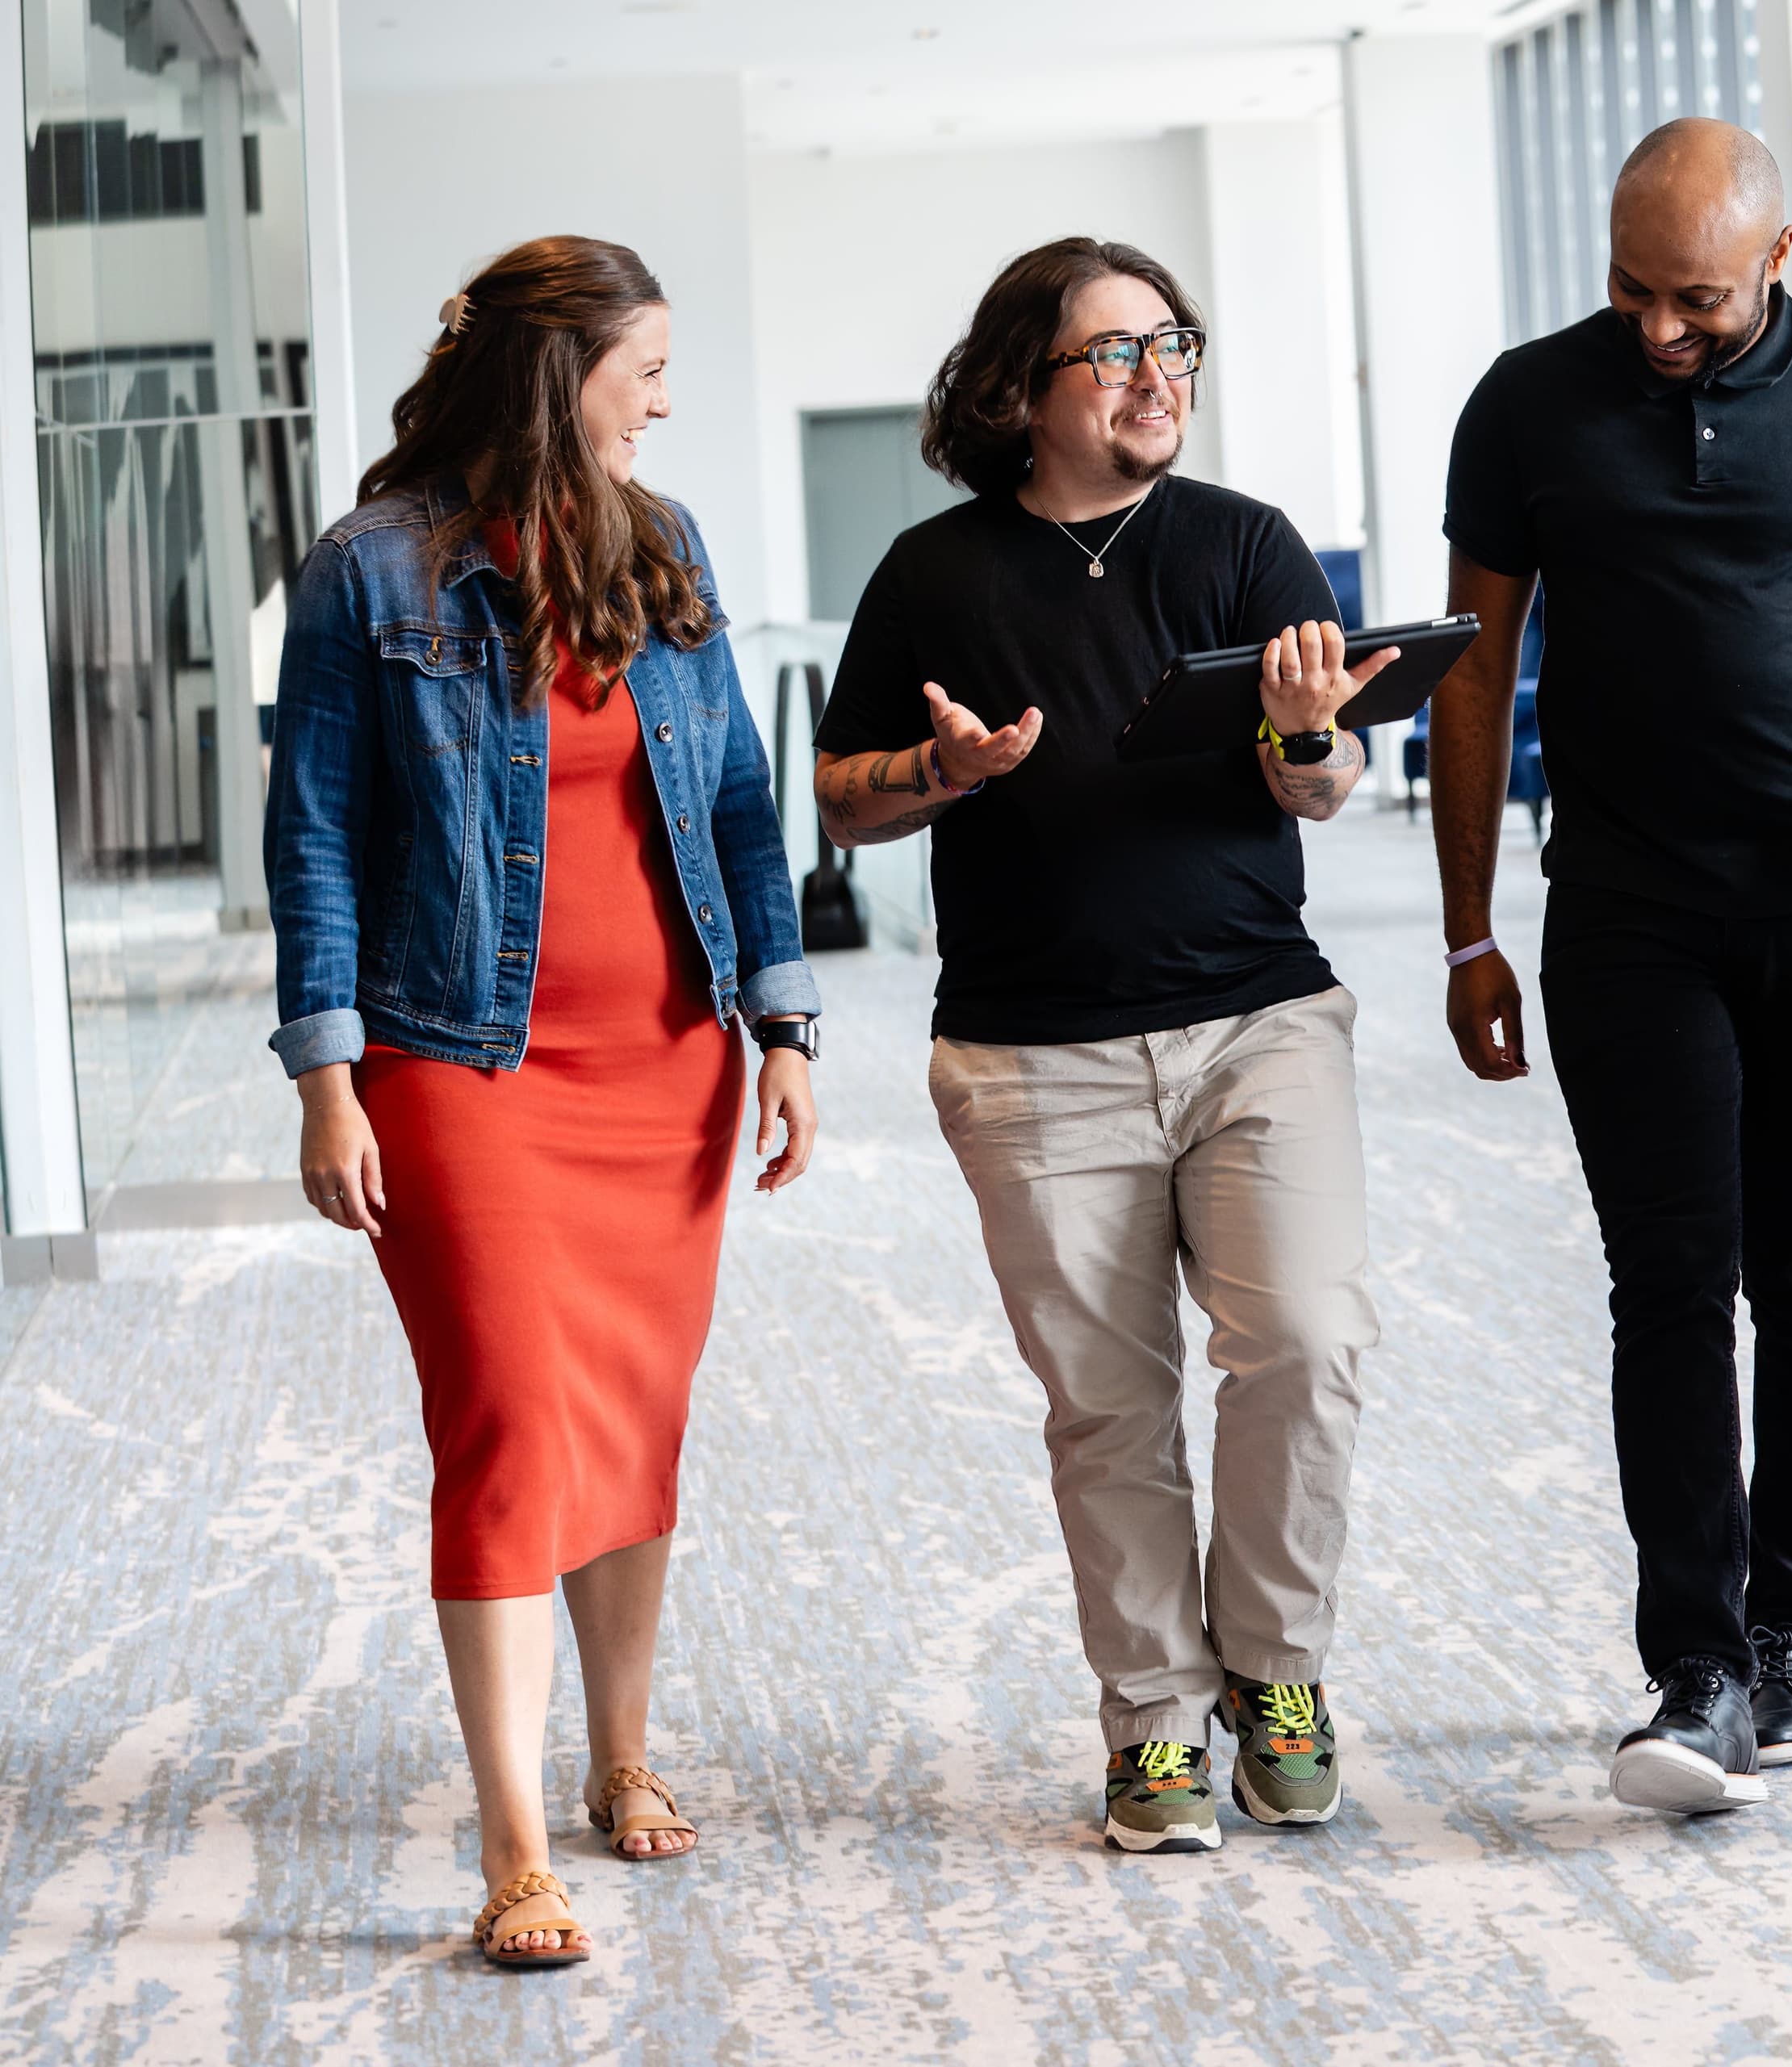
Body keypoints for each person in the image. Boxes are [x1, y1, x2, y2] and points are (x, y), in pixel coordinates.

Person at [265, 236, 819, 1967]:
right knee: (508, 1420)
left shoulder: (667, 547)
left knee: (634, 1417)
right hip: (457, 1059)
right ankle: (516, 1850)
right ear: (554, 369)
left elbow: (735, 797)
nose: (664, 398)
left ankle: (622, 1751)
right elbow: (316, 838)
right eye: (642, 365)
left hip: (664, 1057)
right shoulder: (370, 572)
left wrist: (782, 1017)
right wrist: (326, 1078)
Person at [811, 237, 1384, 1857]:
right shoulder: (936, 575)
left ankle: (1277, 1675)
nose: (1160, 377)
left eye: (1174, 344)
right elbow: (841, 800)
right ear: (1020, 389)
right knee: (1107, 1407)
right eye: (1118, 352)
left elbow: (1321, 784)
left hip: (1259, 1022)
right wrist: (945, 772)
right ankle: (1151, 1719)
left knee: (1312, 1343)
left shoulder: (1246, 546)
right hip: (1031, 1054)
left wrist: (1305, 732)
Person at [1437, 119, 1792, 1814]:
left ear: (1779, 261)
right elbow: (1472, 676)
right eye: (1631, 290)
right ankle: (1698, 1664)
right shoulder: (1528, 402)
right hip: (1624, 909)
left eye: (1699, 302)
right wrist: (1465, 927)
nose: (1659, 331)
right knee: (1667, 1280)